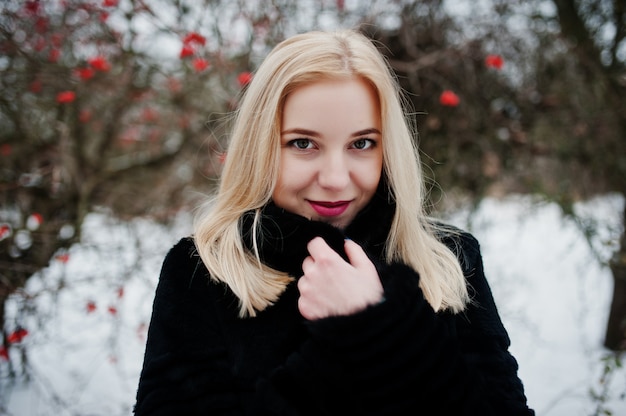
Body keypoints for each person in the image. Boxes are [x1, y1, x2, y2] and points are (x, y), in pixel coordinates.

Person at [134, 29, 534, 415]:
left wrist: (389, 331)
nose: (335, 179)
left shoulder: (448, 261)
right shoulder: (203, 271)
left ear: (387, 148)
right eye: (303, 143)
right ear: (261, 147)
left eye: (361, 144)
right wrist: (347, 343)